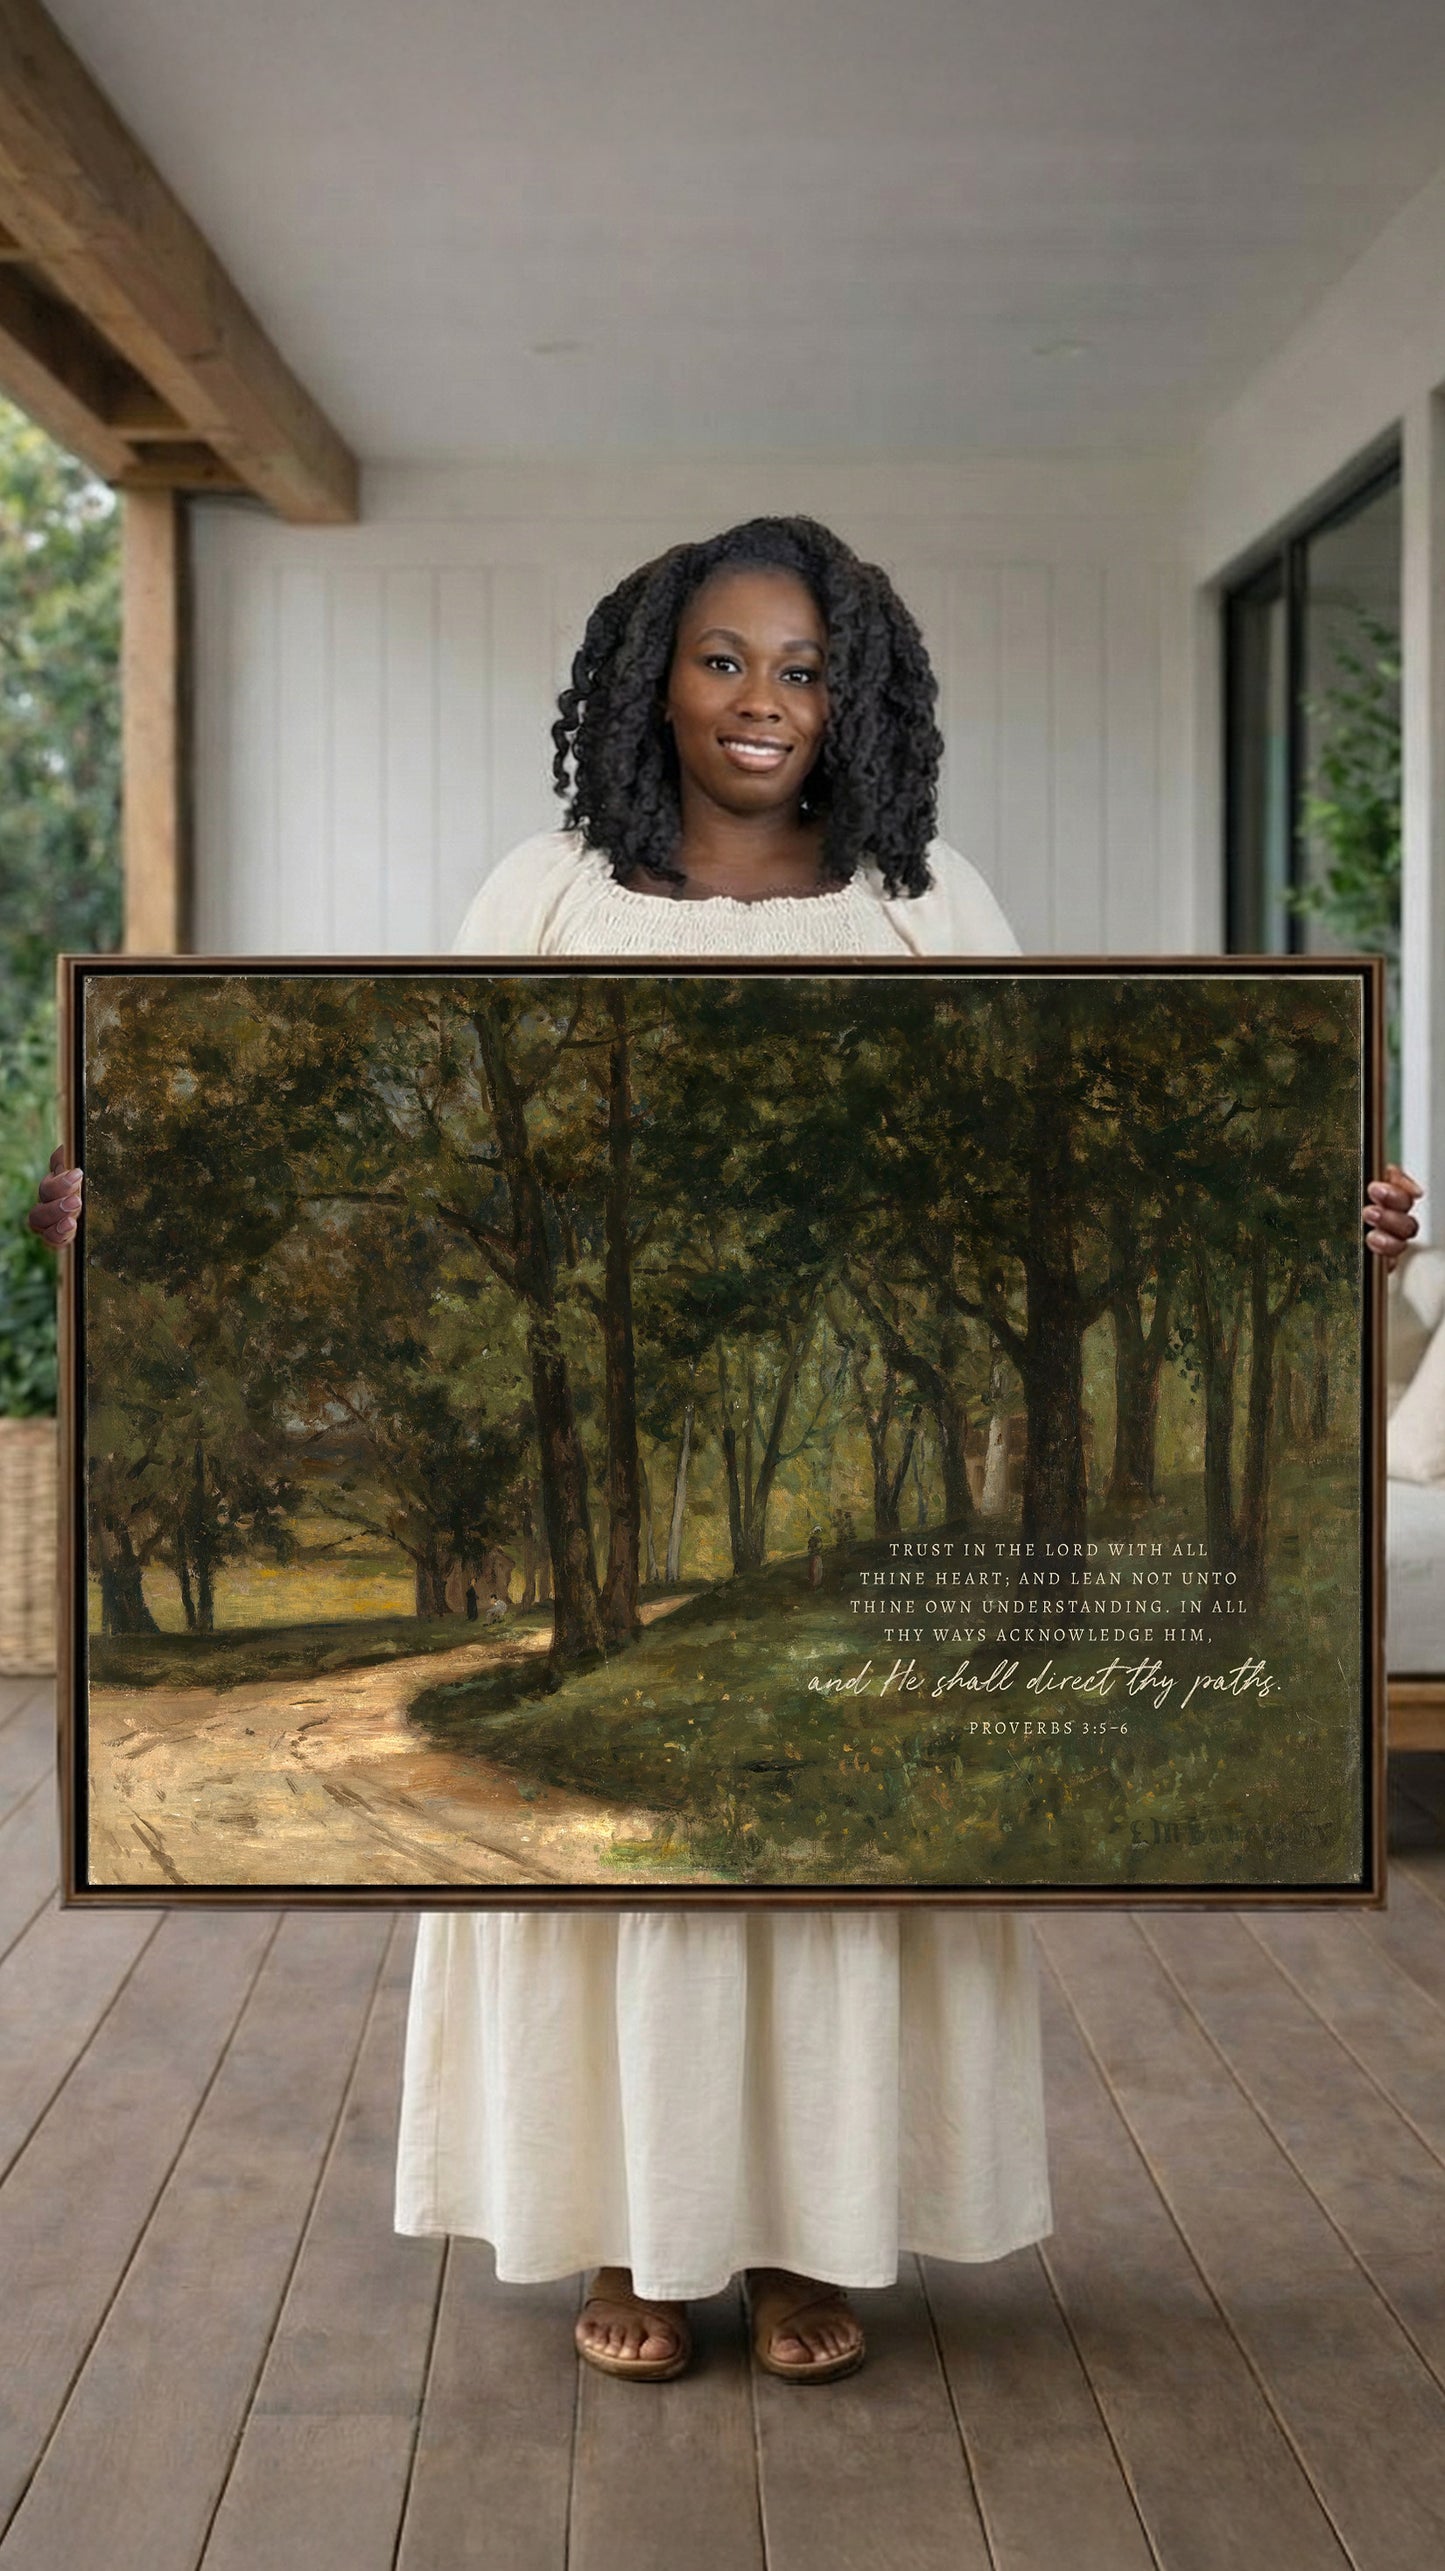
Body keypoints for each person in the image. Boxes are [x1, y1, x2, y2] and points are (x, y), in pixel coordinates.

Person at [30, 513, 1424, 2389]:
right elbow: (431, 1138)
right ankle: (629, 2230)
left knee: (830, 1879)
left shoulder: (928, 907)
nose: (763, 701)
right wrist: (144, 1207)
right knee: (615, 1908)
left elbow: (1055, 1174)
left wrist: (1299, 1212)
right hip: (585, 1432)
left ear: (860, 694)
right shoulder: (542, 895)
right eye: (721, 660)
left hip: (873, 1475)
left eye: (803, 665)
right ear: (650, 681)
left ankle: (800, 2241)